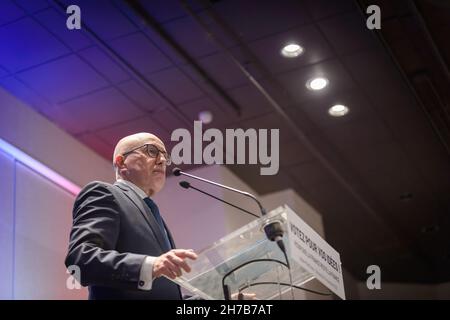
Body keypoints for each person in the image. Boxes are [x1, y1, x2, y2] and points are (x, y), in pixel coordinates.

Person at [65, 132, 198, 300]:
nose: (163, 160)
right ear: (121, 163)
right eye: (151, 151)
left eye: (165, 156)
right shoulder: (105, 193)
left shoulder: (156, 217)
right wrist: (150, 266)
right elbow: (82, 260)